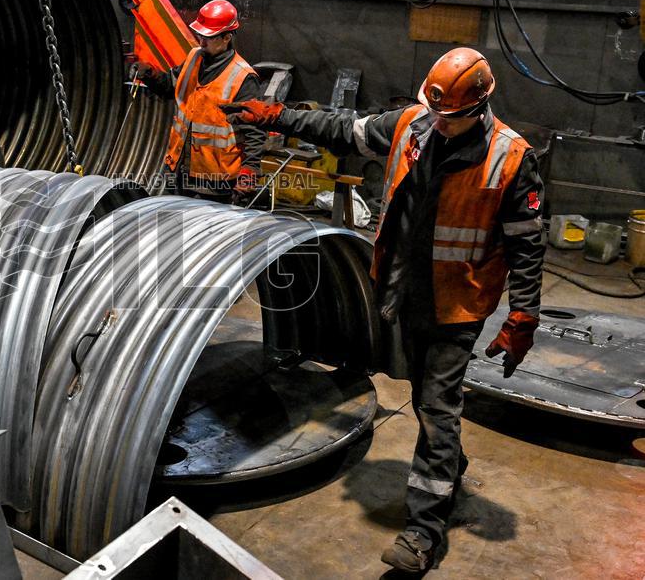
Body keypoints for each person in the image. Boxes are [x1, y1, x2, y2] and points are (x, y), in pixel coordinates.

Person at [222, 47, 545, 573]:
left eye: (450, 115)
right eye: (433, 110)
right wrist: (279, 117)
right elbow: (340, 128)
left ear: (479, 107)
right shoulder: (411, 126)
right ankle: (449, 463)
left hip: (457, 306)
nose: (437, 122)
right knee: (424, 398)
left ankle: (423, 531)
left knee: (438, 408)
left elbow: (528, 246)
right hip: (403, 293)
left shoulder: (511, 158)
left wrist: (522, 317)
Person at [137, 0, 264, 202]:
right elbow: (170, 85)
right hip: (178, 171)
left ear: (226, 38)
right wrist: (151, 75)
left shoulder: (243, 78)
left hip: (214, 182)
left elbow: (255, 133)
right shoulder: (194, 57)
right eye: (200, 36)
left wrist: (249, 174)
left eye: (208, 37)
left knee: (204, 233)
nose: (201, 42)